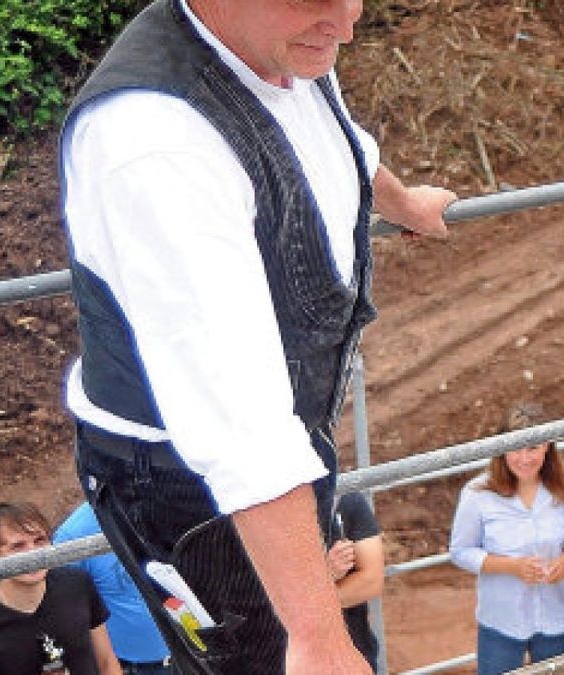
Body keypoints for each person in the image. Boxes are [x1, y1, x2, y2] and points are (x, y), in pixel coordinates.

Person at [59, 0, 454, 672]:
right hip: (183, 481)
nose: (348, 23)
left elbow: (333, 137)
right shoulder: (154, 141)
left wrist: (402, 201)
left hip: (278, 439)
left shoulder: (283, 44)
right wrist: (318, 637)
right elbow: (241, 424)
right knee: (259, 658)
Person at [449, 403, 564, 675]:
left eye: (533, 447)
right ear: (501, 448)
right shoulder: (477, 494)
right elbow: (461, 551)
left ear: (547, 446)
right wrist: (512, 567)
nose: (524, 458)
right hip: (501, 621)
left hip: (557, 616)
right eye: (515, 448)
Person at [0, 502, 122, 675]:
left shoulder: (77, 584)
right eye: (17, 546)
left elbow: (106, 661)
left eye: (39, 540)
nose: (32, 553)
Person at [53, 503, 172, 675]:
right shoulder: (73, 535)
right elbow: (66, 613)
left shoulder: (169, 504)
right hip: (126, 667)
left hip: (192, 653)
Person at [323, 491, 386, 670]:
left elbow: (371, 582)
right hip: (279, 657)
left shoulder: (345, 501)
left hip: (353, 651)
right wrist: (325, 575)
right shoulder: (255, 510)